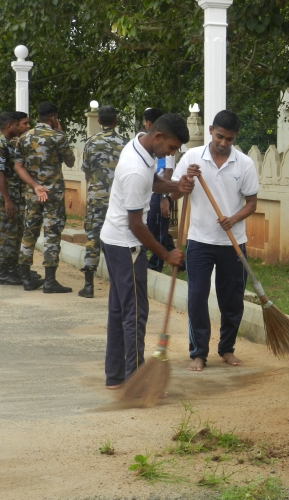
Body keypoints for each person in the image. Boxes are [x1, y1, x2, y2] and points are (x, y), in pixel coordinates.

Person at [99, 113, 198, 389]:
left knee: (120, 311)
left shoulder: (141, 147)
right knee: (135, 313)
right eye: (172, 147)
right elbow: (135, 224)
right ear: (159, 137)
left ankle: (116, 377)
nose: (172, 153)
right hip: (126, 245)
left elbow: (152, 183)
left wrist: (177, 185)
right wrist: (166, 254)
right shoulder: (134, 169)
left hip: (114, 240)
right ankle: (136, 380)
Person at [171, 110, 258, 371]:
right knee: (197, 297)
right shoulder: (192, 157)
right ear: (211, 130)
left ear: (235, 137)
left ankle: (227, 348)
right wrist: (185, 183)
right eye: (219, 136)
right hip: (199, 241)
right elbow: (173, 194)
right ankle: (198, 352)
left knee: (232, 299)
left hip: (233, 243)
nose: (223, 143)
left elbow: (252, 203)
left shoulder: (244, 164)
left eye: (229, 139)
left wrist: (233, 219)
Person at [14, 102, 75, 292]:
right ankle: (50, 281)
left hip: (33, 193)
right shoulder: (58, 137)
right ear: (53, 117)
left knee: (29, 232)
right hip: (53, 194)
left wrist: (35, 186)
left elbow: (18, 166)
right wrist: (61, 133)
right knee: (52, 234)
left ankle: (26, 279)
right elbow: (70, 162)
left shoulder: (24, 137)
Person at [78, 106, 128, 298]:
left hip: (97, 197)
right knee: (120, 237)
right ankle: (120, 284)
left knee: (93, 237)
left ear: (99, 121)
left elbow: (87, 172)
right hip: (119, 198)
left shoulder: (91, 142)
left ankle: (88, 285)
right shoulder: (125, 143)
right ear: (116, 121)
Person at [142, 107, 178, 272]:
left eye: (145, 122)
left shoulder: (166, 143)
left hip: (158, 194)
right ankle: (179, 262)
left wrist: (165, 198)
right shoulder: (146, 144)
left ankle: (155, 266)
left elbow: (168, 172)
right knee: (152, 228)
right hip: (148, 192)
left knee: (159, 231)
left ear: (149, 124)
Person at [0, 112, 32, 285]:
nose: (22, 127)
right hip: (5, 199)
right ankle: (3, 272)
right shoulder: (1, 144)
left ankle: (13, 268)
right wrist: (7, 199)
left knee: (14, 233)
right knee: (7, 235)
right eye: (18, 124)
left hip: (15, 196)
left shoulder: (10, 143)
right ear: (9, 126)